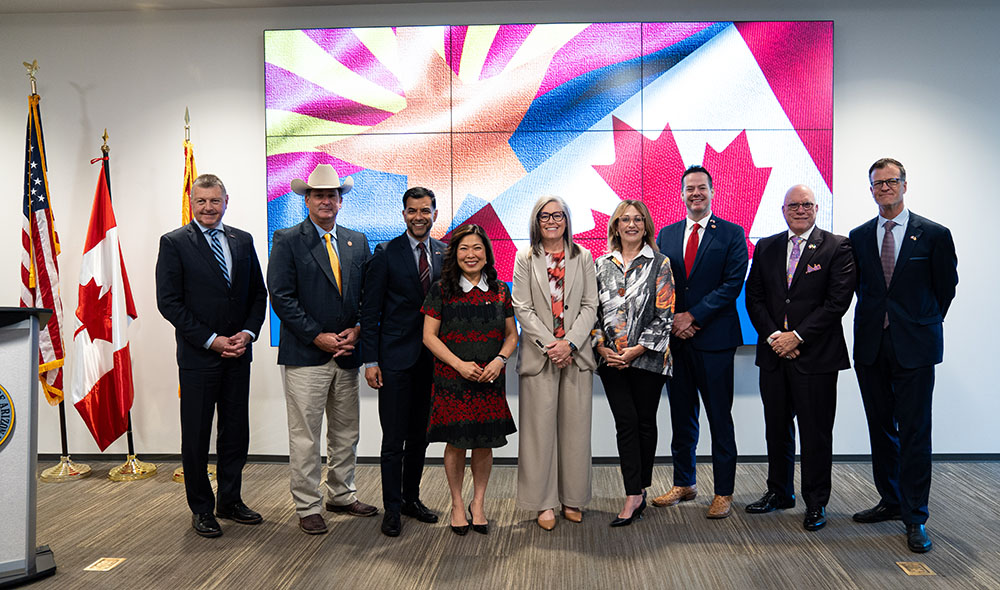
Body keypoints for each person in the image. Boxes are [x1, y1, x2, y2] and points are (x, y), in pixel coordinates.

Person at [849, 157, 958, 553]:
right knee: (880, 428)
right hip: (871, 346)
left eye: (891, 181)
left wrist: (917, 322)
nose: (885, 188)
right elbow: (862, 288)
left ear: (904, 185)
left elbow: (946, 288)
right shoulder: (859, 236)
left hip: (915, 346)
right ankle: (891, 500)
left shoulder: (934, 234)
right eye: (878, 183)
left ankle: (916, 516)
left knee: (914, 431)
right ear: (871, 190)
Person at [155, 173, 267, 538]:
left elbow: (257, 294)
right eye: (201, 201)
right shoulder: (174, 243)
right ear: (192, 203)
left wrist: (248, 333)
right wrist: (211, 340)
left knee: (235, 433)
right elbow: (169, 302)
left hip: (239, 354)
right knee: (197, 436)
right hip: (199, 357)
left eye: (214, 201)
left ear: (226, 202)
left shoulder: (242, 239)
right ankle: (201, 508)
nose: (208, 208)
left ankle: (230, 501)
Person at [268, 163, 377, 535]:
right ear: (307, 200)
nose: (326, 201)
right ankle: (308, 505)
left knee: (346, 433)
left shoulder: (357, 241)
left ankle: (342, 495)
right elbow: (281, 297)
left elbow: (367, 295)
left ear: (340, 201)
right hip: (305, 356)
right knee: (305, 436)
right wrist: (317, 335)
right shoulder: (287, 239)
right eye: (319, 196)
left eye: (332, 195)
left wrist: (358, 329)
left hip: (347, 354)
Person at [744, 184, 856, 531]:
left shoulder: (837, 246)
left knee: (815, 433)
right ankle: (779, 492)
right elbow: (754, 298)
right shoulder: (766, 246)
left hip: (816, 358)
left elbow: (837, 302)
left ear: (816, 208)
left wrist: (797, 337)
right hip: (774, 355)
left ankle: (816, 501)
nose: (800, 210)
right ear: (783, 210)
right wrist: (775, 337)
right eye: (793, 205)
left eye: (806, 204)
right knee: (776, 429)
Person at [652, 165, 748, 519]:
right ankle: (684, 482)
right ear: (681, 194)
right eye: (690, 188)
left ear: (712, 191)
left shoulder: (732, 233)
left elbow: (732, 284)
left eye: (702, 188)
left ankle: (723, 491)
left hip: (715, 340)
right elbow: (661, 283)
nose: (696, 193)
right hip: (677, 342)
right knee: (681, 417)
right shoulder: (667, 234)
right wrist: (675, 321)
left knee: (720, 418)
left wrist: (693, 317)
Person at [421, 224, 517, 536]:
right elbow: (429, 336)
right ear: (455, 254)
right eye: (464, 248)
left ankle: (478, 503)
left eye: (477, 248)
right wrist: (459, 365)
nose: (471, 254)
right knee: (456, 442)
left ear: (487, 253)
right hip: (453, 379)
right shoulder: (441, 290)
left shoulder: (500, 290)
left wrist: (500, 360)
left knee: (484, 443)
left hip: (490, 378)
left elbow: (512, 335)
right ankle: (457, 504)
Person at [360, 186, 445, 537]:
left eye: (425, 211)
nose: (419, 217)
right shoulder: (386, 253)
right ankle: (392, 508)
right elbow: (370, 312)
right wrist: (370, 360)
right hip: (394, 360)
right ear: (403, 214)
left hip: (433, 360)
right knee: (394, 440)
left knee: (420, 437)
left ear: (434, 214)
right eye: (412, 211)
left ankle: (412, 499)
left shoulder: (445, 253)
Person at [511, 195, 598, 531]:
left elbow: (590, 305)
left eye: (558, 215)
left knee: (576, 431)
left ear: (567, 219)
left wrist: (570, 343)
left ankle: (572, 498)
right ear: (536, 221)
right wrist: (552, 346)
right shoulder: (525, 258)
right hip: (540, 356)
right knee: (538, 434)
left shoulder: (583, 256)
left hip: (576, 356)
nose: (551, 221)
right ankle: (543, 502)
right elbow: (522, 308)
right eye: (545, 216)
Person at [593, 200, 674, 528]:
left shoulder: (660, 263)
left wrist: (636, 350)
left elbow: (665, 314)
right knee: (625, 422)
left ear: (646, 225)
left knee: (644, 422)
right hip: (610, 360)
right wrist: (601, 346)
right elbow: (592, 311)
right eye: (624, 219)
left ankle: (638, 490)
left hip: (649, 359)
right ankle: (633, 493)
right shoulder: (600, 264)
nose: (631, 224)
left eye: (638, 219)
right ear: (616, 226)